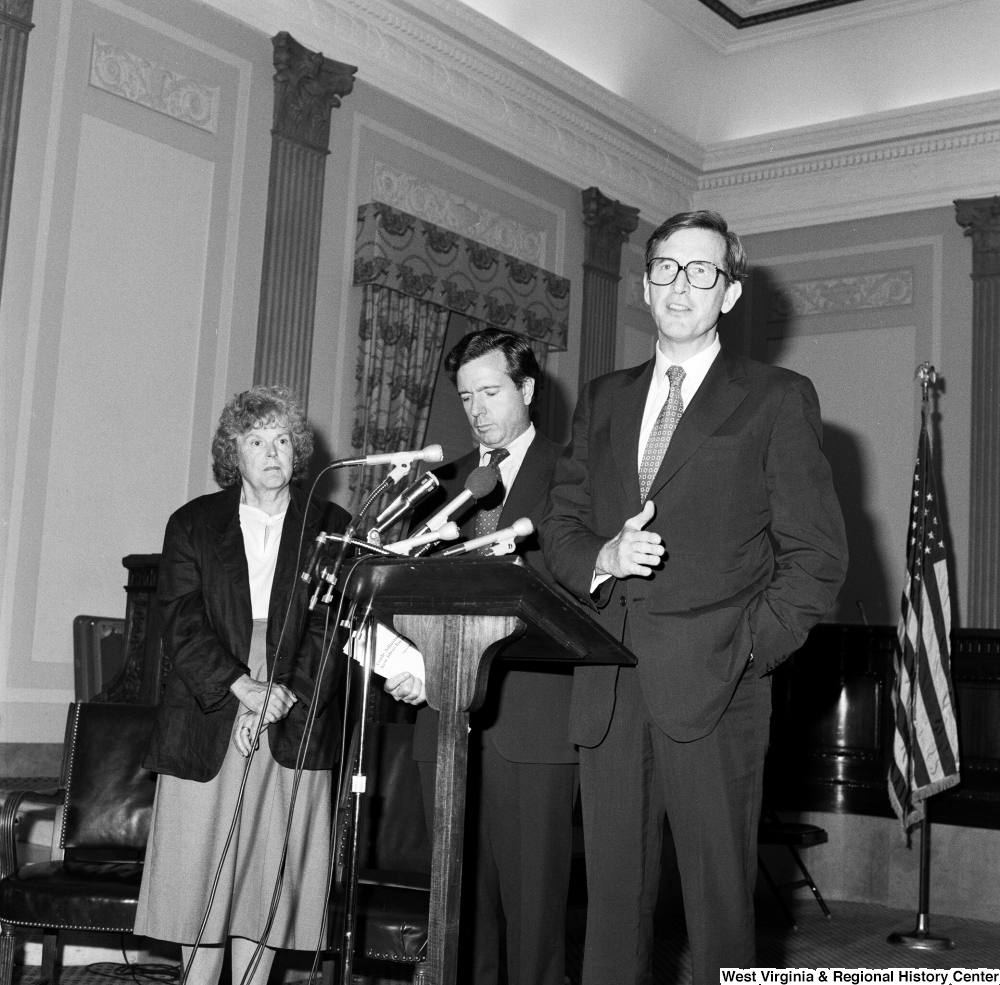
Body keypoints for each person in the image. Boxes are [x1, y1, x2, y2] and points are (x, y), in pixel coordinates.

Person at [541, 211, 848, 984]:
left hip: (718, 686)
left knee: (718, 911)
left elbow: (817, 557)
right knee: (611, 907)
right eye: (668, 268)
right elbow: (562, 526)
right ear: (644, 286)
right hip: (608, 682)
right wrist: (603, 557)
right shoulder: (604, 398)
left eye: (702, 271)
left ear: (732, 292)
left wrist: (748, 648)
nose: (682, 285)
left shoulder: (778, 397)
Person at [135, 385, 350, 985]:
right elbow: (178, 617)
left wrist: (281, 694)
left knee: (267, 871)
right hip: (210, 705)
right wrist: (242, 687)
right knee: (201, 870)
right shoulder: (194, 522)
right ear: (234, 452)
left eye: (283, 439)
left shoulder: (331, 524)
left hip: (297, 702)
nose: (272, 451)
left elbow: (332, 626)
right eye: (256, 439)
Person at [386, 328, 576, 985]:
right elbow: (409, 582)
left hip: (532, 722)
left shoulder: (573, 470)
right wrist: (409, 659)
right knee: (459, 919)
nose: (478, 409)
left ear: (525, 389)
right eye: (467, 397)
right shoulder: (445, 484)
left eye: (491, 391)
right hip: (445, 721)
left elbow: (574, 586)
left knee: (533, 919)